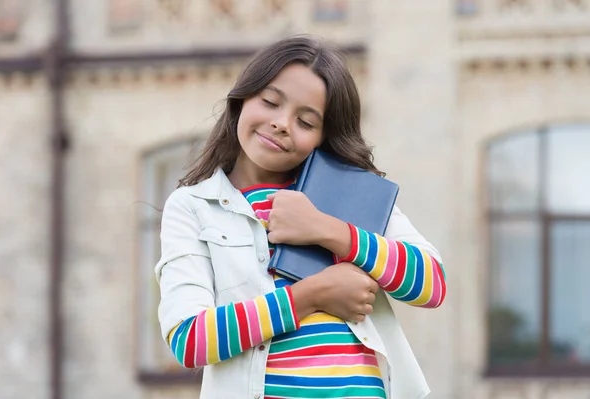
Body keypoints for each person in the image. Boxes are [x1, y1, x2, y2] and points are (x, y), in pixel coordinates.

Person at [155, 35, 446, 399]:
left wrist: (328, 230)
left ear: (324, 137)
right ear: (242, 98)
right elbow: (190, 339)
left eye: (306, 122)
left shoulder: (350, 194)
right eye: (270, 102)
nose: (281, 123)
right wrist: (311, 295)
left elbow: (432, 285)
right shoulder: (192, 206)